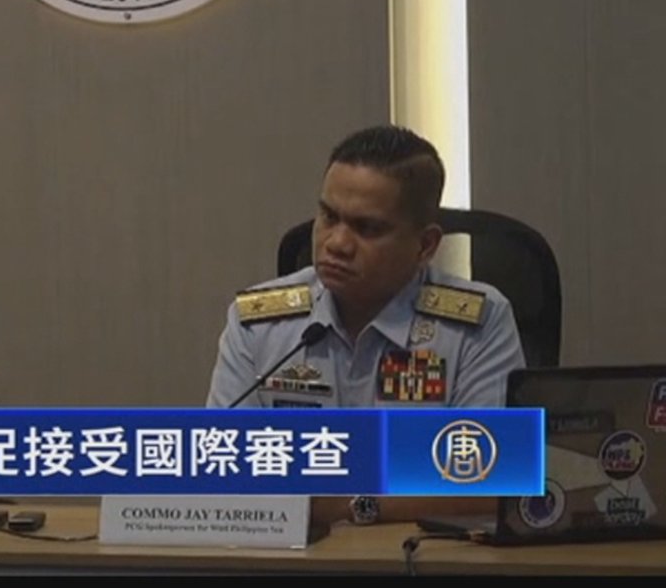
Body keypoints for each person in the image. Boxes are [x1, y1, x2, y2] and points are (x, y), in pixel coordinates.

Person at [205, 124, 526, 526]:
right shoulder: (259, 322)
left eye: (367, 228)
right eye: (329, 216)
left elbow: (493, 483)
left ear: (425, 245)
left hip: (419, 556)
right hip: (292, 555)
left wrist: (347, 506)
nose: (336, 243)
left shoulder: (478, 322)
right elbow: (221, 464)